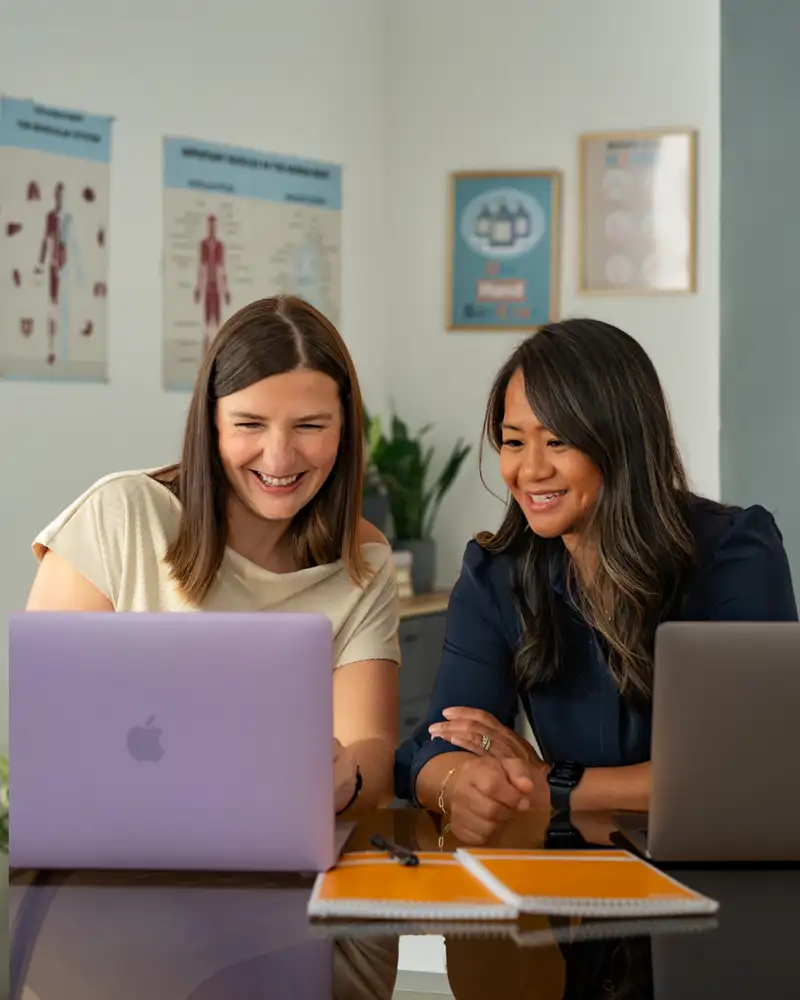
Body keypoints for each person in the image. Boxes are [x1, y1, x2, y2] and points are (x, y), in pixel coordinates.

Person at [395, 318, 797, 844]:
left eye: (558, 441)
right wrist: (459, 784)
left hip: (722, 868)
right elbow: (430, 747)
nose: (530, 470)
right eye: (514, 442)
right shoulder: (495, 573)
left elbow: (747, 769)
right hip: (577, 886)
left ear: (621, 443)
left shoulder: (734, 551)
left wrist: (556, 787)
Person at [27, 294, 400, 815]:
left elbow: (373, 749)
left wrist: (347, 782)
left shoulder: (363, 558)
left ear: (345, 426)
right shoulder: (120, 515)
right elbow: (44, 738)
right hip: (111, 857)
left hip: (278, 857)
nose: (279, 457)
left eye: (310, 426)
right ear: (212, 423)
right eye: (250, 424)